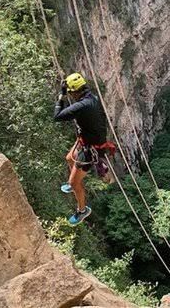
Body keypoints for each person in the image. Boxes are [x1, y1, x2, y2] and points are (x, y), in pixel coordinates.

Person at [53, 72, 110, 226]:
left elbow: (57, 116)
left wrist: (61, 96)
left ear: (73, 92)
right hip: (87, 141)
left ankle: (82, 209)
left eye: (70, 93)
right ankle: (75, 181)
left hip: (90, 150)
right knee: (69, 158)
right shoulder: (92, 98)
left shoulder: (82, 105)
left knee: (73, 184)